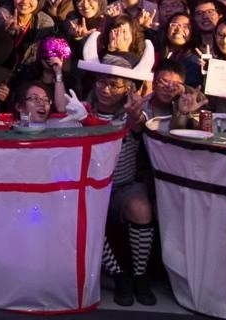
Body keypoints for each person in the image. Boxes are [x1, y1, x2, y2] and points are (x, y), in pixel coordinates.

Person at [88, 56, 155, 307]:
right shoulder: (83, 109)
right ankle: (119, 275)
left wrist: (133, 113)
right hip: (92, 188)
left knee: (141, 209)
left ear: (127, 89)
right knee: (84, 215)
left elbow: (138, 123)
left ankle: (140, 275)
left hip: (123, 187)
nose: (105, 90)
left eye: (114, 85)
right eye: (101, 82)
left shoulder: (133, 113)